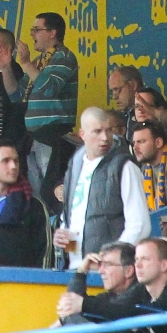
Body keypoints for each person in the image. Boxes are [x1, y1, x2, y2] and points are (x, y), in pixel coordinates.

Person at [55, 108, 151, 269]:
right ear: (82, 134)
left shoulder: (124, 167)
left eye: (108, 130)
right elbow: (73, 221)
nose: (105, 137)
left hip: (113, 274)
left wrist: (109, 261)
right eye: (97, 131)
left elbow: (140, 225)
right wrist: (65, 242)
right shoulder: (75, 166)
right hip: (77, 269)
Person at [2, 12, 79, 202]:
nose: (32, 34)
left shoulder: (64, 57)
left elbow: (50, 89)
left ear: (52, 32)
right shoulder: (40, 62)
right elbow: (16, 94)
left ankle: (55, 229)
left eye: (37, 29)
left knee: (51, 191)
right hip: (33, 138)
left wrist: (26, 63)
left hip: (53, 136)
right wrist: (6, 67)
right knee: (35, 195)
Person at [46, 242, 139, 333]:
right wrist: (81, 272)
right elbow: (71, 306)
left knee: (71, 332)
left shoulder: (139, 293)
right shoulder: (109, 297)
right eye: (100, 264)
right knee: (70, 332)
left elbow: (114, 309)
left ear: (129, 271)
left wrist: (68, 318)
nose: (101, 271)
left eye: (107, 265)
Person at [0, 141, 50, 268]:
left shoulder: (33, 206)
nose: (13, 166)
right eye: (5, 161)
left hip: (18, 284)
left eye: (16, 161)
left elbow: (43, 256)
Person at [131, 120, 167, 211]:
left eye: (141, 141)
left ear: (158, 142)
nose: (135, 147)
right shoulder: (144, 170)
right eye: (134, 143)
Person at [108, 66, 143, 143]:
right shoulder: (128, 113)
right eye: (112, 91)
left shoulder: (150, 105)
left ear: (133, 85)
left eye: (117, 89)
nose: (114, 97)